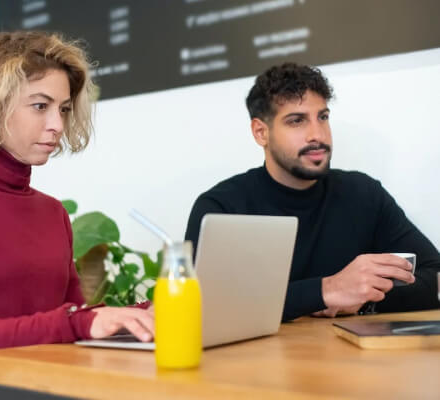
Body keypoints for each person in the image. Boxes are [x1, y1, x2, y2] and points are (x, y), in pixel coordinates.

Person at [0, 31, 153, 400]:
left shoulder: (53, 213)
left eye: (63, 109)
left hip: (41, 391)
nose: (57, 125)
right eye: (40, 106)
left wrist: (140, 315)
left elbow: (71, 322)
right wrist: (79, 321)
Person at [185, 62, 440, 322]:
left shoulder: (364, 194)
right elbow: (201, 306)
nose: (317, 135)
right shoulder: (221, 208)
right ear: (261, 132)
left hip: (347, 348)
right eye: (297, 121)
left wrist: (362, 300)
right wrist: (325, 291)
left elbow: (436, 274)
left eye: (323, 117)